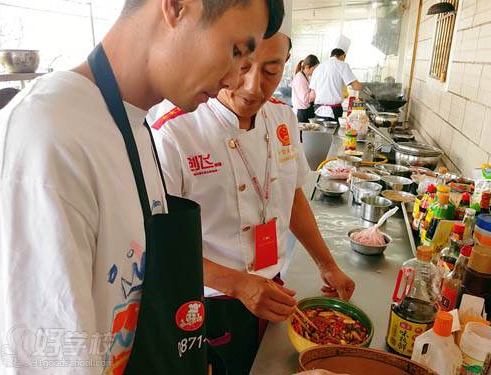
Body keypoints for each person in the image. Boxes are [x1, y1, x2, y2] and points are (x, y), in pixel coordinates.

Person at [0, 0, 285, 373]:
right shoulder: (47, 135)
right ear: (179, 6)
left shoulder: (134, 124)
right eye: (234, 51)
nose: (233, 78)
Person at [151, 29, 355, 375]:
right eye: (241, 68)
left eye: (271, 71)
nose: (253, 87)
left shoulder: (283, 117)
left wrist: (326, 264)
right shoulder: (173, 131)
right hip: (207, 300)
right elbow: (157, 246)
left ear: (287, 65)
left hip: (270, 287)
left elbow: (292, 195)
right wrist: (237, 283)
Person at [310, 48, 362, 122]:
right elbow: (357, 87)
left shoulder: (318, 68)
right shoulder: (342, 65)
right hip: (334, 111)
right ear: (344, 56)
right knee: (332, 133)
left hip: (318, 111)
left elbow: (312, 95)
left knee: (320, 133)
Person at [292, 54, 319, 123]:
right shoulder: (300, 78)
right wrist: (314, 91)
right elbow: (305, 99)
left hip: (306, 111)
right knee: (301, 133)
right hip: (302, 113)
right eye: (314, 69)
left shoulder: (306, 77)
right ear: (307, 67)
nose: (315, 72)